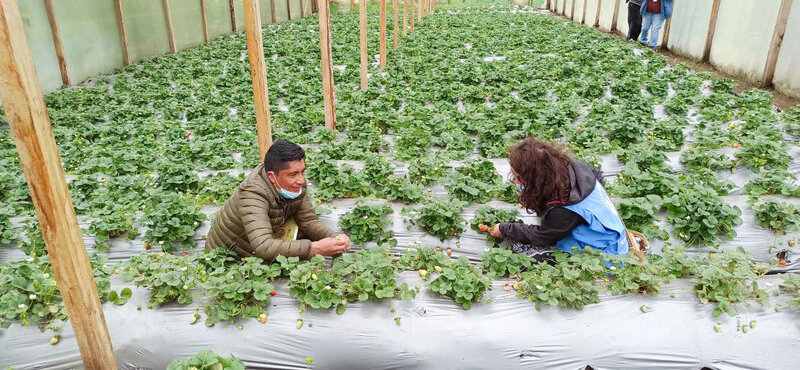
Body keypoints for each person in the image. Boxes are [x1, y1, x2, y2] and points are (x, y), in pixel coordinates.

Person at [206, 140, 351, 261]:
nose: (301, 180)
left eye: (302, 171)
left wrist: (334, 238)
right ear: (272, 176)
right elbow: (264, 247)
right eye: (293, 174)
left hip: (263, 237)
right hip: (232, 255)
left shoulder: (295, 184)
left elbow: (308, 221)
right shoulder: (253, 194)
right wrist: (314, 248)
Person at [488, 138, 628, 262]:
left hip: (605, 255)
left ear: (536, 179)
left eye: (519, 178)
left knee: (525, 258)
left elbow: (542, 236)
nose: (516, 182)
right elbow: (599, 177)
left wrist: (506, 229)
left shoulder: (565, 208)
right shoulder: (572, 167)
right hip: (610, 233)